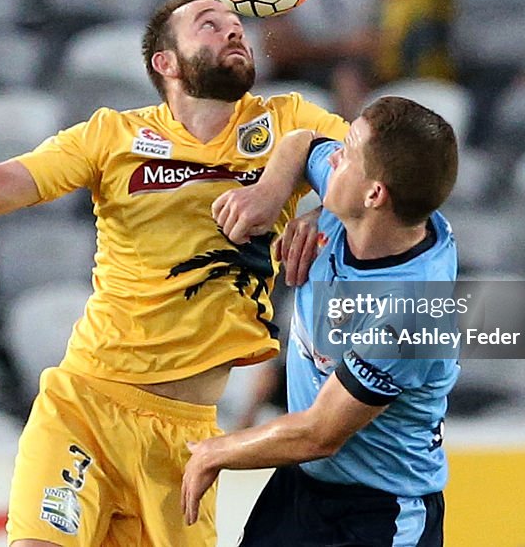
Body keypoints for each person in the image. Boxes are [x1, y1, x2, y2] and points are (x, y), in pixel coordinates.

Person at [0, 0, 348, 547]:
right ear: (166, 63)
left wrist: (315, 206)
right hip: (87, 406)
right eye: (209, 24)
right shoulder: (111, 135)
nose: (234, 29)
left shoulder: (287, 121)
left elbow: (380, 169)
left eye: (236, 24)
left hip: (186, 441)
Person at [181, 95, 460, 546]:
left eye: (346, 152)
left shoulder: (411, 310)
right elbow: (302, 141)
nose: (334, 157)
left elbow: (320, 433)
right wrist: (270, 196)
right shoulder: (370, 211)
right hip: (301, 488)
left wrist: (216, 452)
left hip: (379, 512)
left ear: (374, 194)